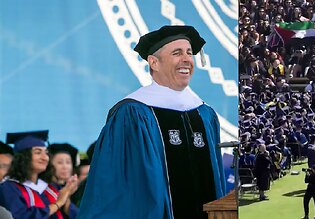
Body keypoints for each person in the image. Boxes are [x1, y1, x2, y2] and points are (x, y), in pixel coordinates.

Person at [79, 26, 227, 219]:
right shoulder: (132, 114)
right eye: (177, 53)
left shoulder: (205, 114)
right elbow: (115, 187)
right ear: (154, 62)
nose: (186, 59)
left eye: (189, 53)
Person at [0, 130, 79, 219]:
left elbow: (78, 216)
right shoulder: (9, 188)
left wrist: (66, 196)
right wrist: (58, 203)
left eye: (46, 153)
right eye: (38, 152)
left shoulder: (51, 188)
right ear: (23, 157)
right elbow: (21, 216)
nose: (45, 157)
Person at [43, 143, 80, 218]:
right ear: (50, 165)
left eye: (68, 162)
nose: (65, 167)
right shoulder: (45, 190)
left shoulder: (77, 189)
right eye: (60, 162)